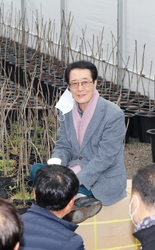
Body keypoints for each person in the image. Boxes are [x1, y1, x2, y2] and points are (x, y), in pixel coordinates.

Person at [30, 60, 127, 222]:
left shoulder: (112, 114)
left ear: (95, 83)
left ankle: (73, 195)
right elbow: (64, 145)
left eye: (85, 83)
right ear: (69, 86)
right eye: (74, 84)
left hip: (101, 178)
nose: (80, 88)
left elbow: (105, 158)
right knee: (37, 170)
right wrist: (56, 163)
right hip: (74, 171)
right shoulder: (68, 110)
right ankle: (77, 197)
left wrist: (73, 180)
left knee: (53, 186)